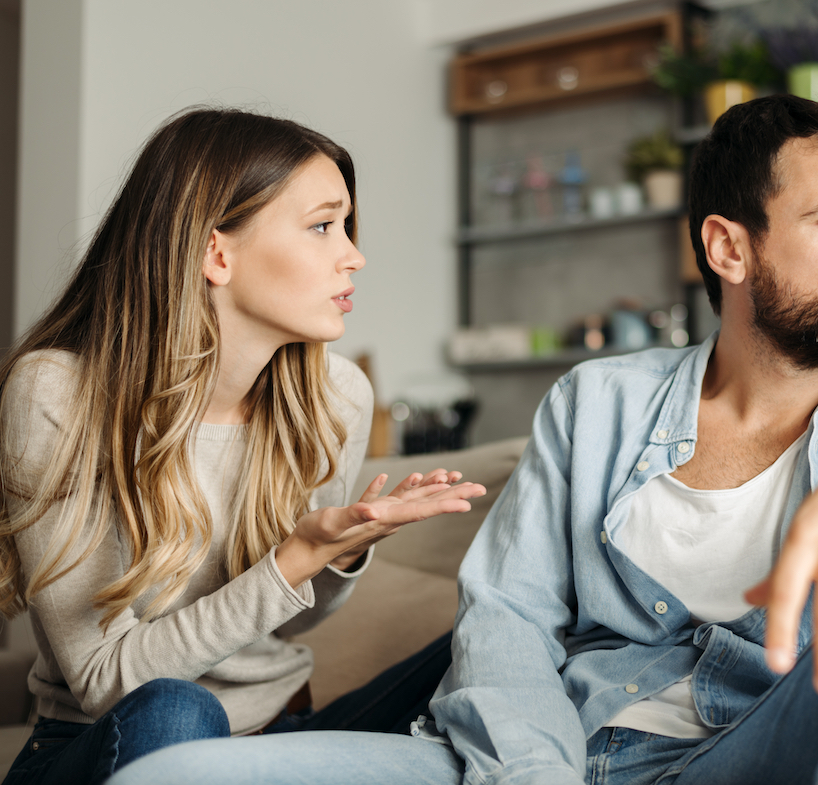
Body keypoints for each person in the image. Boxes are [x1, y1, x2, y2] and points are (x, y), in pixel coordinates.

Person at [109, 95, 818, 785]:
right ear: (729, 249)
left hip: (758, 748)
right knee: (167, 775)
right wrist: (531, 773)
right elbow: (508, 619)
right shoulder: (598, 403)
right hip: (558, 753)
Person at [0, 108, 486, 785]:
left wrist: (336, 554)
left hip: (284, 733)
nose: (354, 254)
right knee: (174, 709)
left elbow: (285, 628)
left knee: (495, 639)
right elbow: (102, 678)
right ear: (216, 252)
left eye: (345, 225)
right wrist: (291, 561)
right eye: (322, 226)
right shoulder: (58, 393)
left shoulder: (334, 394)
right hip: (114, 739)